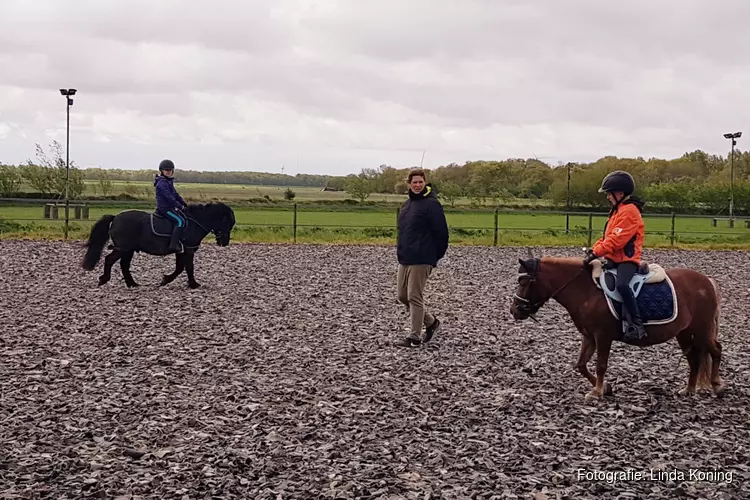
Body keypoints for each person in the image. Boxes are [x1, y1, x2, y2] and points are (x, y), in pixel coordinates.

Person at [583, 170, 646, 341]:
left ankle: (636, 324)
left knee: (623, 285)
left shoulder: (629, 212)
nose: (607, 197)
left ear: (620, 193)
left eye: (609, 193)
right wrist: (593, 250)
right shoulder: (617, 211)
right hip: (613, 259)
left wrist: (596, 253)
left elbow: (617, 241)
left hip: (627, 261)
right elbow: (606, 238)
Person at [394, 169, 449, 347]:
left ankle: (414, 337)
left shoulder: (432, 204)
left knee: (414, 296)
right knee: (402, 296)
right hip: (406, 256)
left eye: (420, 182)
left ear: (425, 182)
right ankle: (431, 322)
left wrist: (436, 255)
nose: (417, 185)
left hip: (423, 257)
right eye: (414, 182)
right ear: (409, 184)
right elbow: (403, 231)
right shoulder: (407, 205)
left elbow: (442, 233)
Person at [154, 159, 187, 253]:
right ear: (162, 171)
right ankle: (173, 245)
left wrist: (183, 203)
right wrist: (179, 206)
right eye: (166, 170)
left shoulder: (168, 182)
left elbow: (175, 195)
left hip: (170, 208)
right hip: (164, 209)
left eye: (170, 170)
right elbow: (169, 197)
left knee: (184, 218)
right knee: (180, 221)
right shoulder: (161, 183)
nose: (168, 172)